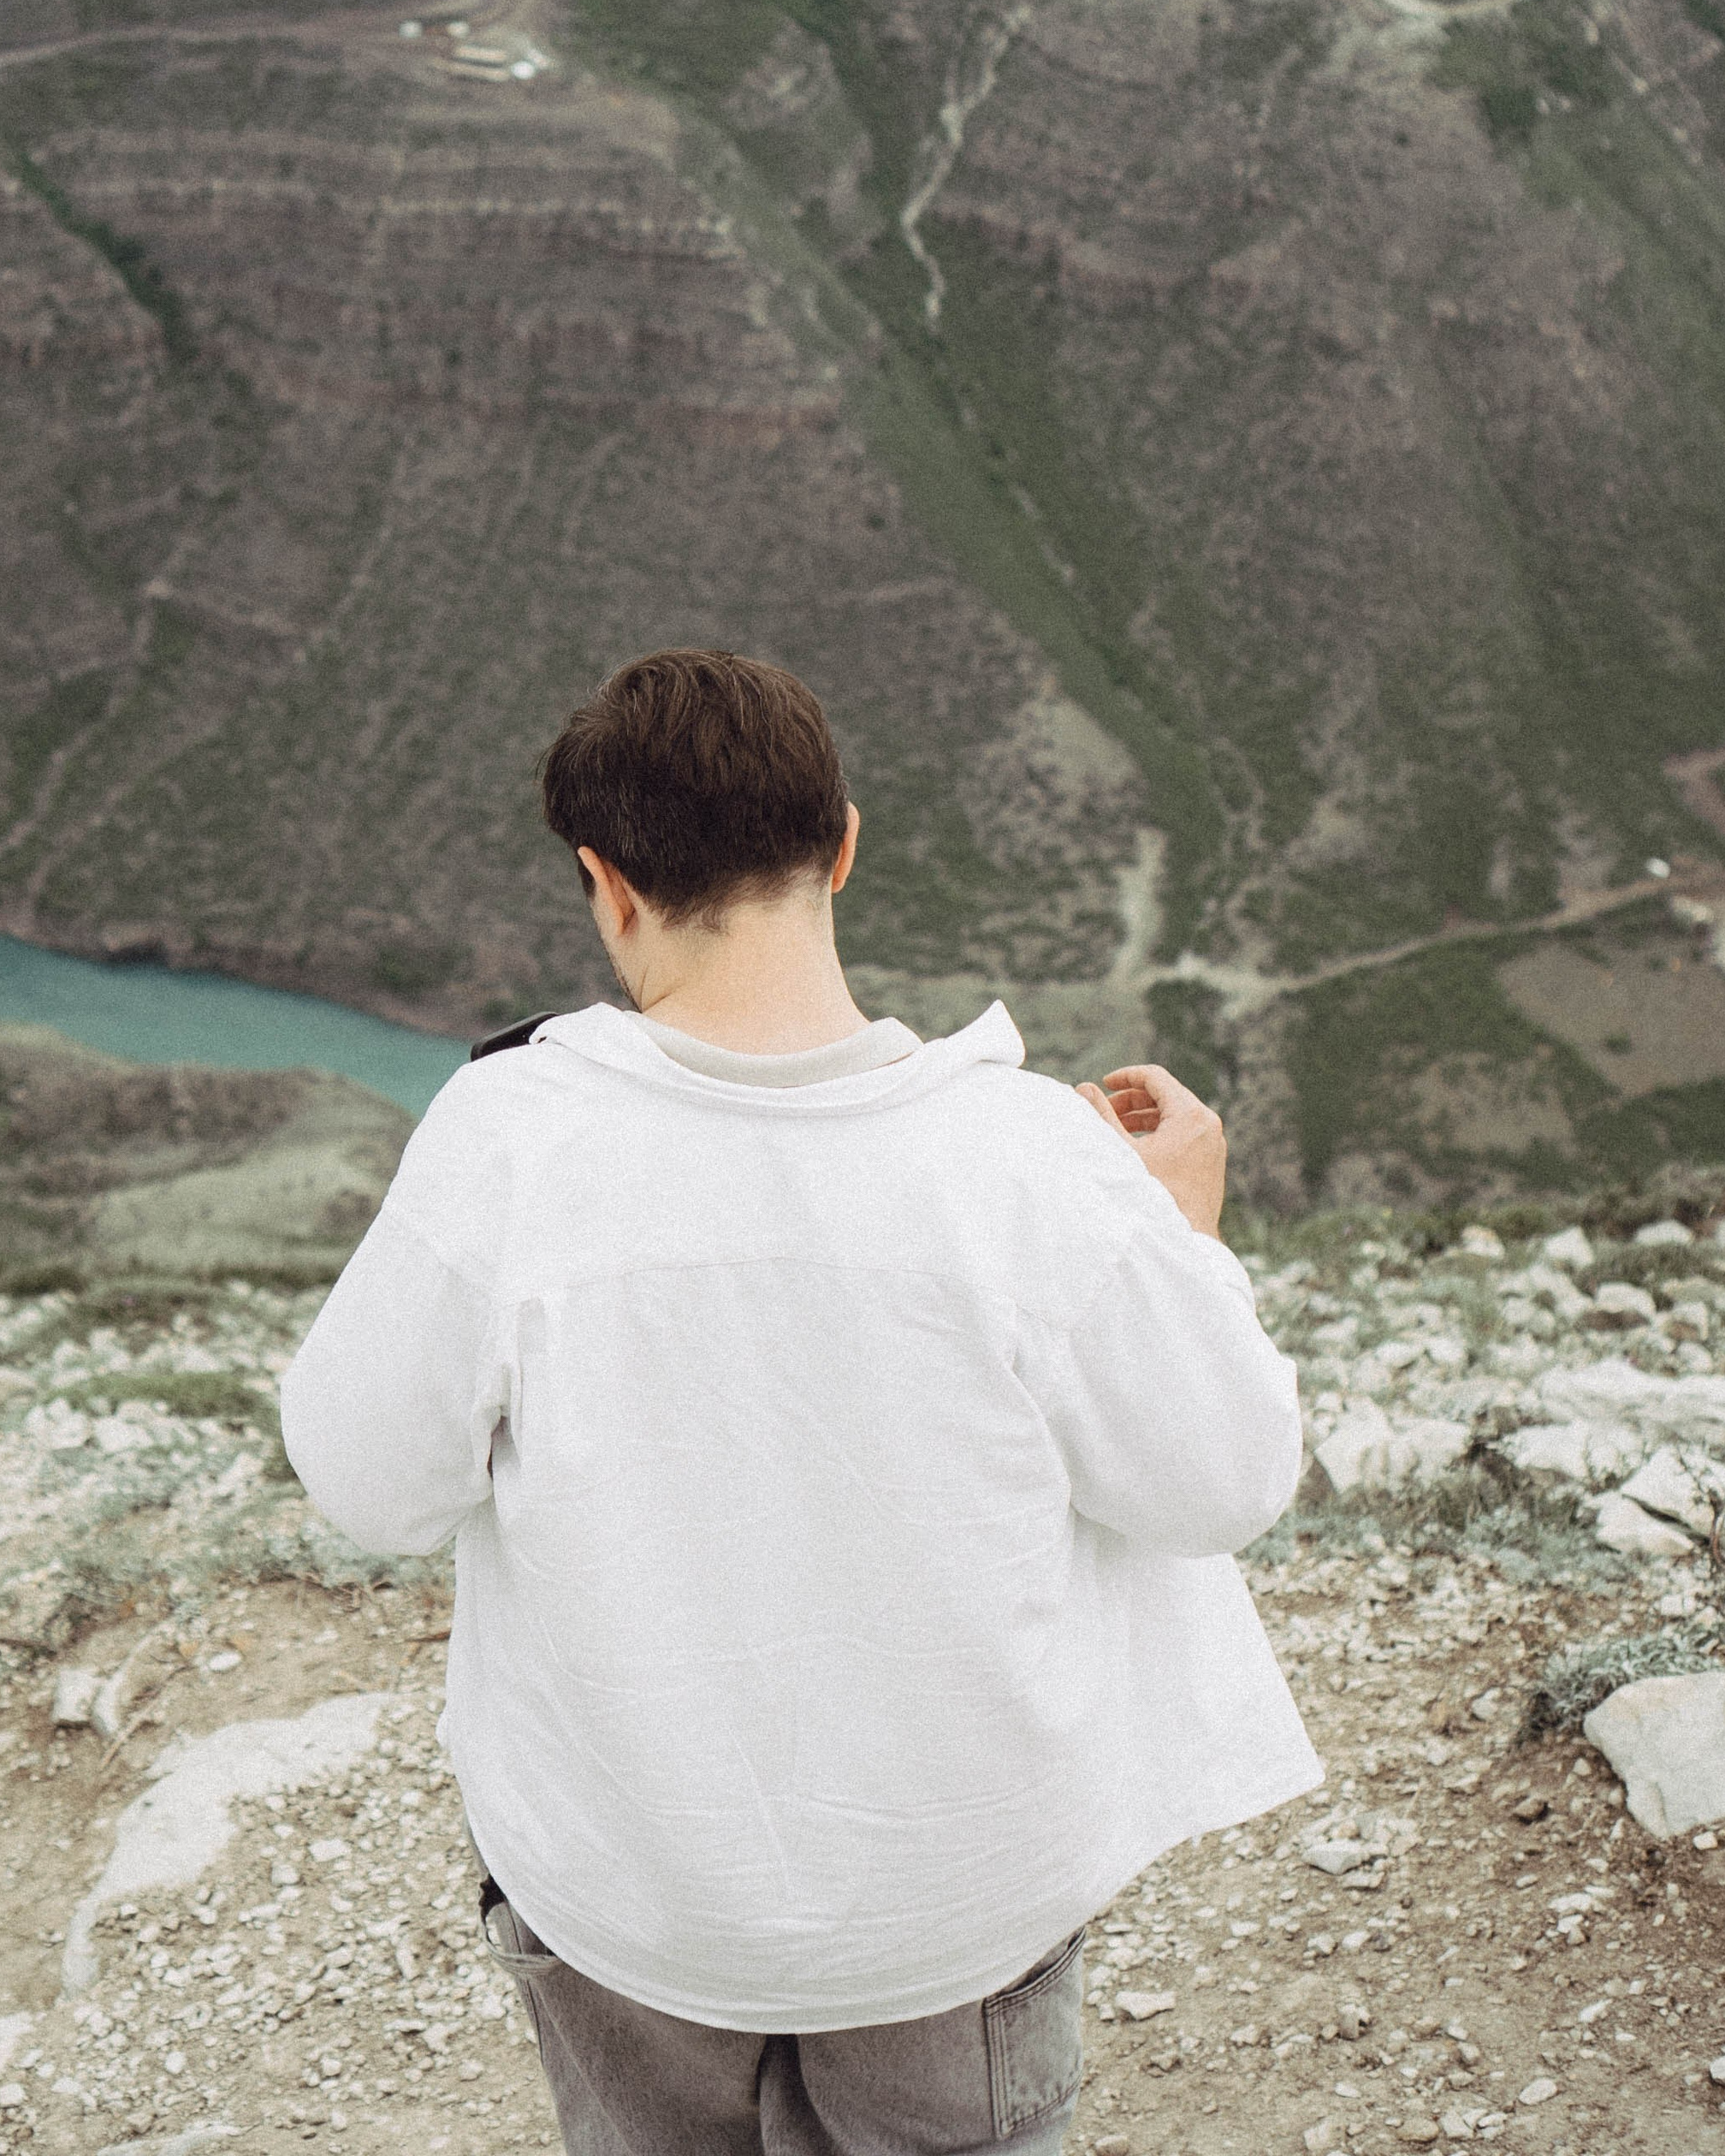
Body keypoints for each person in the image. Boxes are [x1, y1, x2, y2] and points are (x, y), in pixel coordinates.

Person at [279, 648, 1319, 2156]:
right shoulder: (1032, 1156)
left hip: (629, 1904)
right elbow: (1222, 1484)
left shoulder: (510, 1139)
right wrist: (1181, 1233)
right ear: (843, 843)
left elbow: (365, 1489)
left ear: (606, 882)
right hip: (950, 1919)